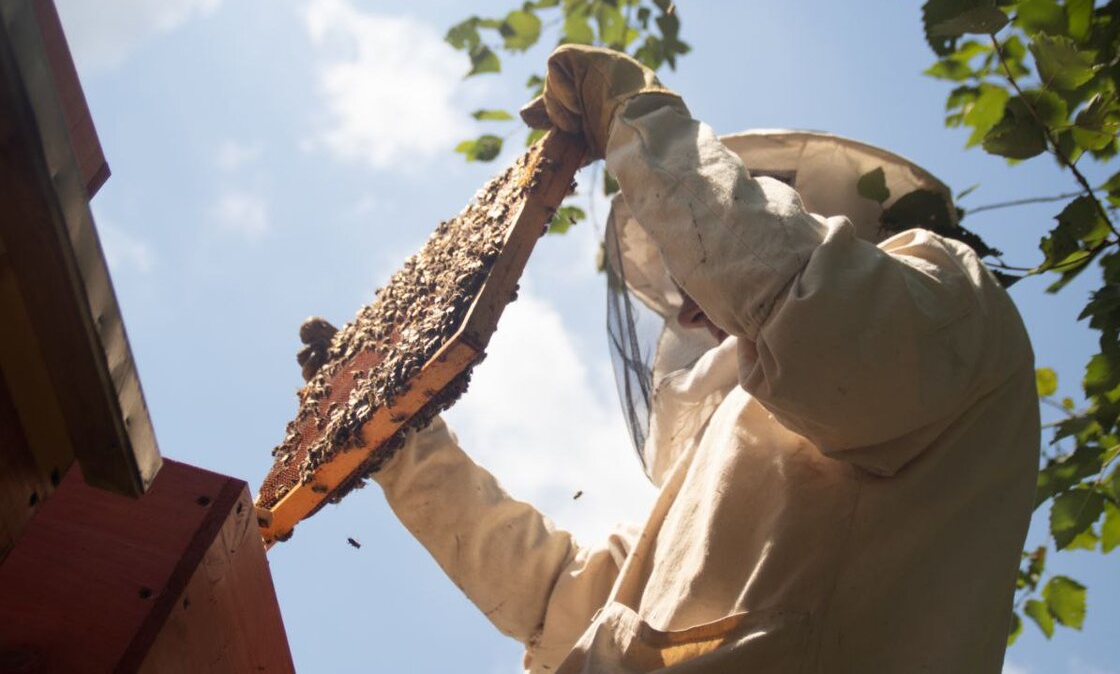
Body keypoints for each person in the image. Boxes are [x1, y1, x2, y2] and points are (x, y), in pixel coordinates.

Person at [368, 45, 1040, 672]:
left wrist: (639, 122)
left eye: (693, 277)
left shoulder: (947, 303)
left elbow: (799, 298)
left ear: (818, 214)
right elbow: (555, 602)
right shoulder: (724, 476)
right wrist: (400, 441)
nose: (688, 311)